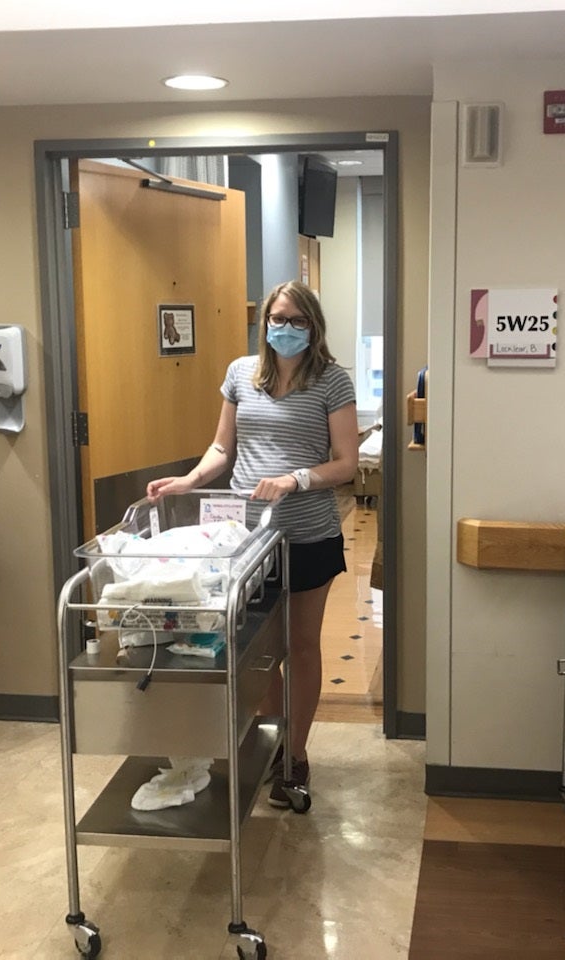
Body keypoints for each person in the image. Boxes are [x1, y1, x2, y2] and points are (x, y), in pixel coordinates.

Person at [147, 280, 357, 808]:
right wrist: (190, 481)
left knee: (300, 645)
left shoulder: (332, 381)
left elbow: (346, 462)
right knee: (254, 649)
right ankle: (271, 738)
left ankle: (297, 755)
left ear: (314, 327)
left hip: (307, 534)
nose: (286, 329)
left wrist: (295, 479)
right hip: (246, 538)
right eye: (278, 319)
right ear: (264, 322)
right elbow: (223, 446)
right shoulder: (241, 374)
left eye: (298, 321)